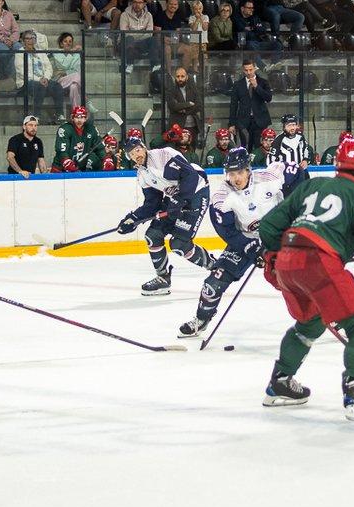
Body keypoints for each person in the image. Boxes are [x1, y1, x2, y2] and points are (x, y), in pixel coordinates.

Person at [257, 137, 354, 421]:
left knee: (310, 322)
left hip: (288, 260)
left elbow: (269, 226)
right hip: (319, 262)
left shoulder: (311, 185)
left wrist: (273, 258)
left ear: (336, 163)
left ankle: (280, 382)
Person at [178, 147, 306, 336]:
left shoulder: (270, 177)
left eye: (239, 172)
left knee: (301, 279)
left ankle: (330, 314)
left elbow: (298, 173)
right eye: (231, 173)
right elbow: (229, 233)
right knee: (213, 283)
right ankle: (202, 319)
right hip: (245, 239)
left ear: (248, 169)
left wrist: (293, 206)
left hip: (279, 236)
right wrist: (253, 249)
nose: (236, 178)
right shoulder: (222, 199)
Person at [116, 137, 215, 295]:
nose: (136, 155)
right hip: (175, 198)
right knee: (153, 235)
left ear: (144, 147)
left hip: (197, 193)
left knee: (179, 244)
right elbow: (152, 203)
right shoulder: (142, 175)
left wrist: (179, 200)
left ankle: (216, 267)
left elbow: (190, 176)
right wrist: (133, 219)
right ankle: (163, 279)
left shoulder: (163, 156)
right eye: (131, 154)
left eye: (137, 150)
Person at [15, 31, 66, 125]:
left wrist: (46, 78)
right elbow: (22, 71)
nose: (30, 41)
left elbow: (48, 67)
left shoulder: (40, 52)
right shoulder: (19, 53)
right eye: (27, 39)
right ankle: (36, 115)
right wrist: (39, 80)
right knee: (39, 86)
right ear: (23, 41)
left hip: (43, 81)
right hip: (26, 82)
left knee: (57, 86)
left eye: (33, 38)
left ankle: (59, 114)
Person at [228, 59, 272, 151]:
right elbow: (233, 105)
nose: (248, 72)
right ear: (243, 70)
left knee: (259, 147)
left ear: (255, 68)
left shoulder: (263, 82)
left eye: (250, 69)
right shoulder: (238, 84)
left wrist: (256, 86)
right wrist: (232, 124)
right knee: (245, 147)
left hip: (260, 120)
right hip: (244, 121)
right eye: (246, 70)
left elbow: (268, 98)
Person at [231, 0, 283, 70]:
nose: (251, 10)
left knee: (277, 44)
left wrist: (252, 28)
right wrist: (255, 29)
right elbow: (242, 32)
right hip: (246, 45)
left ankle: (274, 64)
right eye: (249, 8)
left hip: (258, 43)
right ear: (242, 8)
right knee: (250, 44)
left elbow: (263, 30)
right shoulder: (236, 19)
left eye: (252, 8)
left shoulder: (255, 17)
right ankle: (263, 67)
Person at [51, 105, 102, 172]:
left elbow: (100, 148)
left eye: (82, 117)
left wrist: (106, 159)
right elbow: (61, 149)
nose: (79, 120)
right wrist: (65, 160)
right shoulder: (65, 129)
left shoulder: (91, 129)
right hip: (60, 168)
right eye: (77, 117)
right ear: (72, 118)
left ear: (86, 118)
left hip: (79, 168)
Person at [119, 0, 157, 74]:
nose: (137, 5)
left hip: (141, 44)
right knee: (129, 39)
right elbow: (124, 33)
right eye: (135, 2)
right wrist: (140, 34)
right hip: (127, 43)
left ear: (144, 4)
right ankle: (129, 64)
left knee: (153, 40)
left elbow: (149, 33)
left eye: (140, 2)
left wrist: (134, 35)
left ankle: (155, 66)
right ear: (131, 3)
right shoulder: (124, 15)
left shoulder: (149, 15)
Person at [167, 66, 201, 140]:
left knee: (193, 147)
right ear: (175, 77)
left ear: (187, 77)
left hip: (193, 126)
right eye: (178, 76)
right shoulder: (171, 90)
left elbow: (199, 105)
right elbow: (173, 106)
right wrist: (188, 104)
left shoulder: (193, 89)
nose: (180, 79)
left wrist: (184, 110)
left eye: (182, 76)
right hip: (177, 127)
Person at [51, 32, 83, 110]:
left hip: (73, 81)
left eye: (70, 41)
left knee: (74, 87)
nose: (68, 43)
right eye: (65, 41)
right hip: (59, 82)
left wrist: (65, 72)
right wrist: (71, 53)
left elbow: (77, 69)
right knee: (77, 76)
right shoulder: (56, 53)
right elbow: (64, 65)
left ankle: (76, 112)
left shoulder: (76, 54)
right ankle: (87, 100)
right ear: (61, 44)